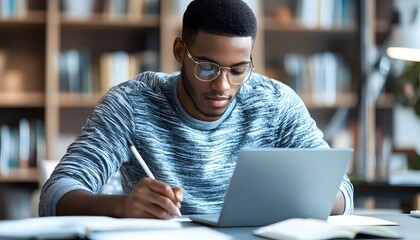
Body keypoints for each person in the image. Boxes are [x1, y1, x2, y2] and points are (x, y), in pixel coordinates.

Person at [39, 0, 354, 219]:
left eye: (238, 70)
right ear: (180, 52)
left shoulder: (276, 103)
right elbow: (56, 193)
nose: (223, 86)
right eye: (207, 68)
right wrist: (122, 206)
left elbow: (341, 189)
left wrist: (294, 202)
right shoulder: (132, 104)